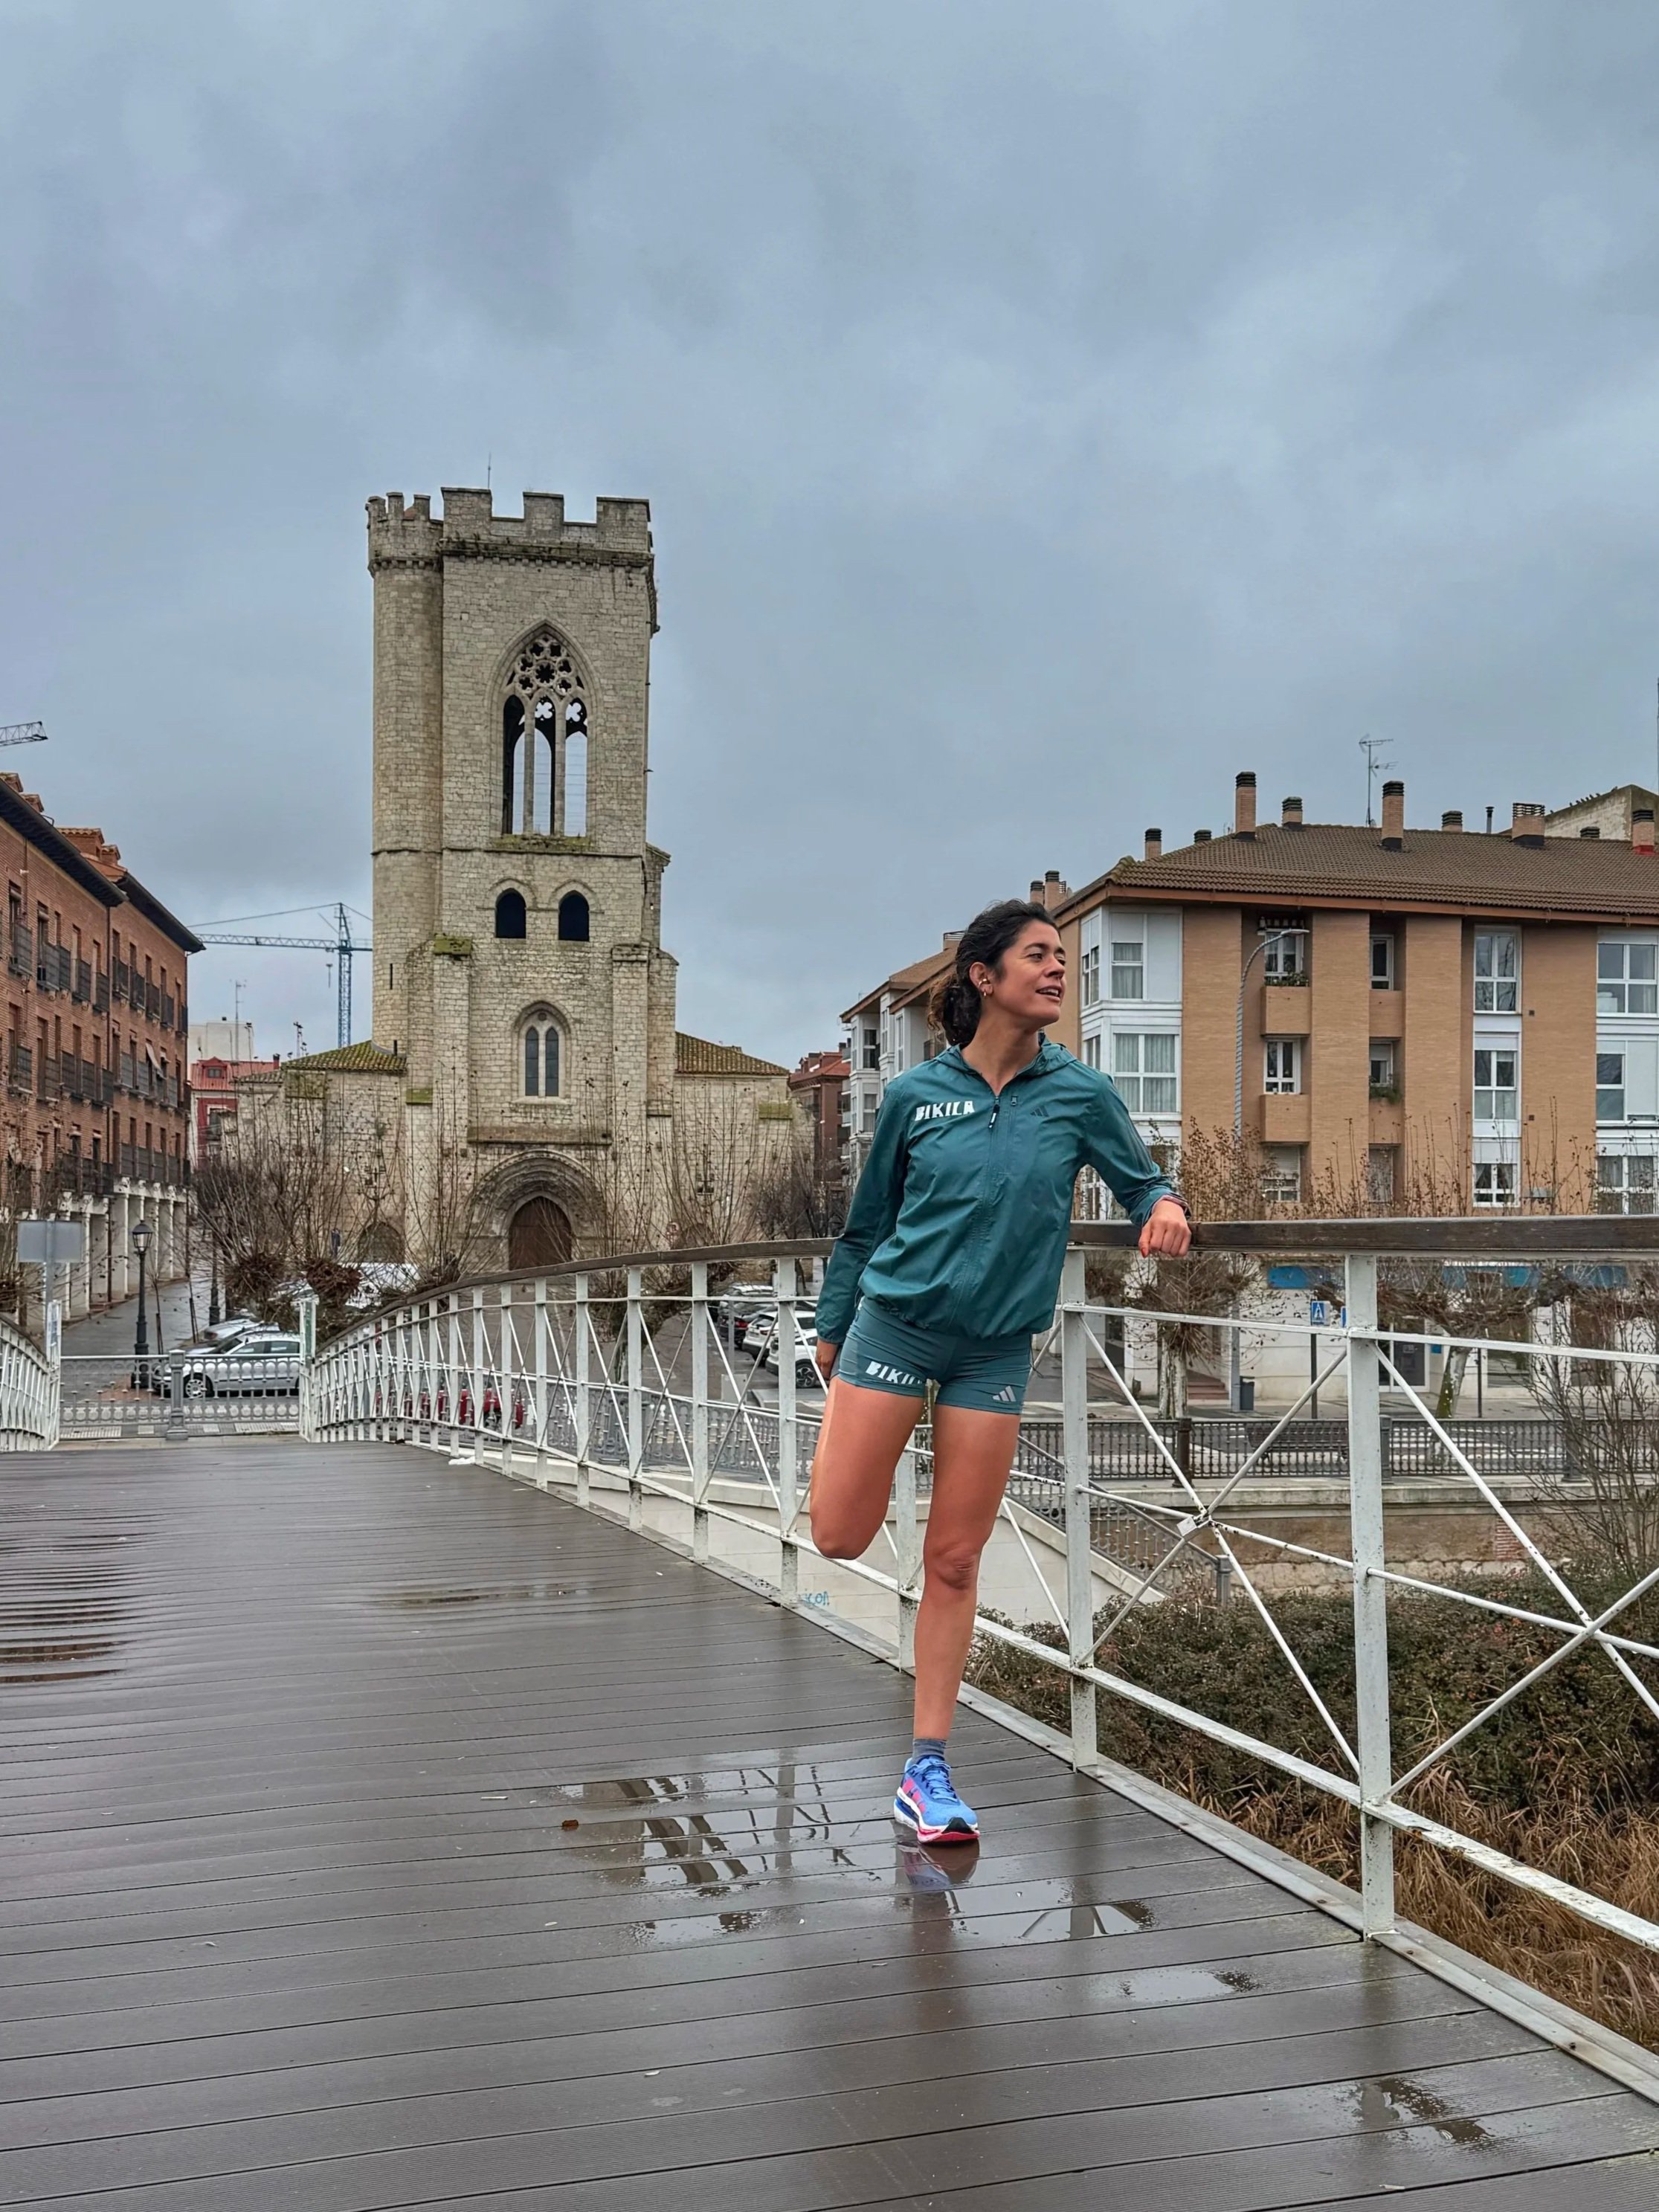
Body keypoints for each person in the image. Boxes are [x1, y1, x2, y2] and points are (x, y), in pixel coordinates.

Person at [809, 897, 1191, 1842]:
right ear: (983, 976)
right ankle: (846, 1446)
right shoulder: (913, 1096)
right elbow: (866, 1227)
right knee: (835, 1535)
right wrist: (830, 1325)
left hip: (994, 1348)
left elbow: (1139, 1176)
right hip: (893, 1327)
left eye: (1061, 956)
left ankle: (925, 1768)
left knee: (953, 1558)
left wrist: (1166, 1202)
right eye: (1038, 956)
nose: (1058, 969)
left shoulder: (1078, 1092)